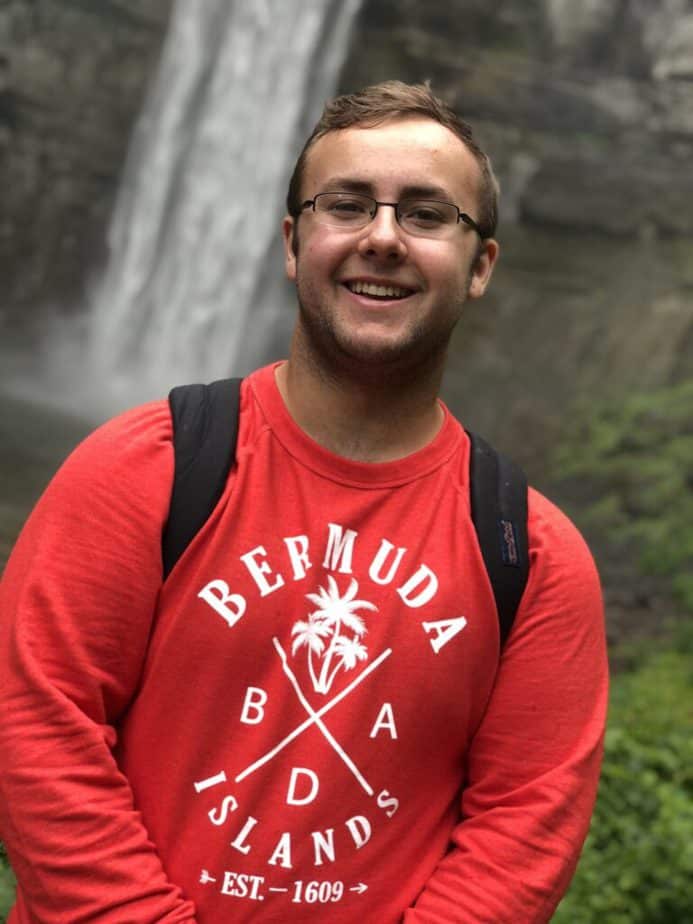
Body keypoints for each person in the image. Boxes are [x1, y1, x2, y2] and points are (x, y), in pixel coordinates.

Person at [0, 81, 607, 923]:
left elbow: (522, 831)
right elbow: (35, 728)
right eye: (347, 204)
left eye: (428, 215)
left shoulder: (530, 554)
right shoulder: (143, 470)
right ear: (294, 242)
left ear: (481, 266)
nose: (383, 238)